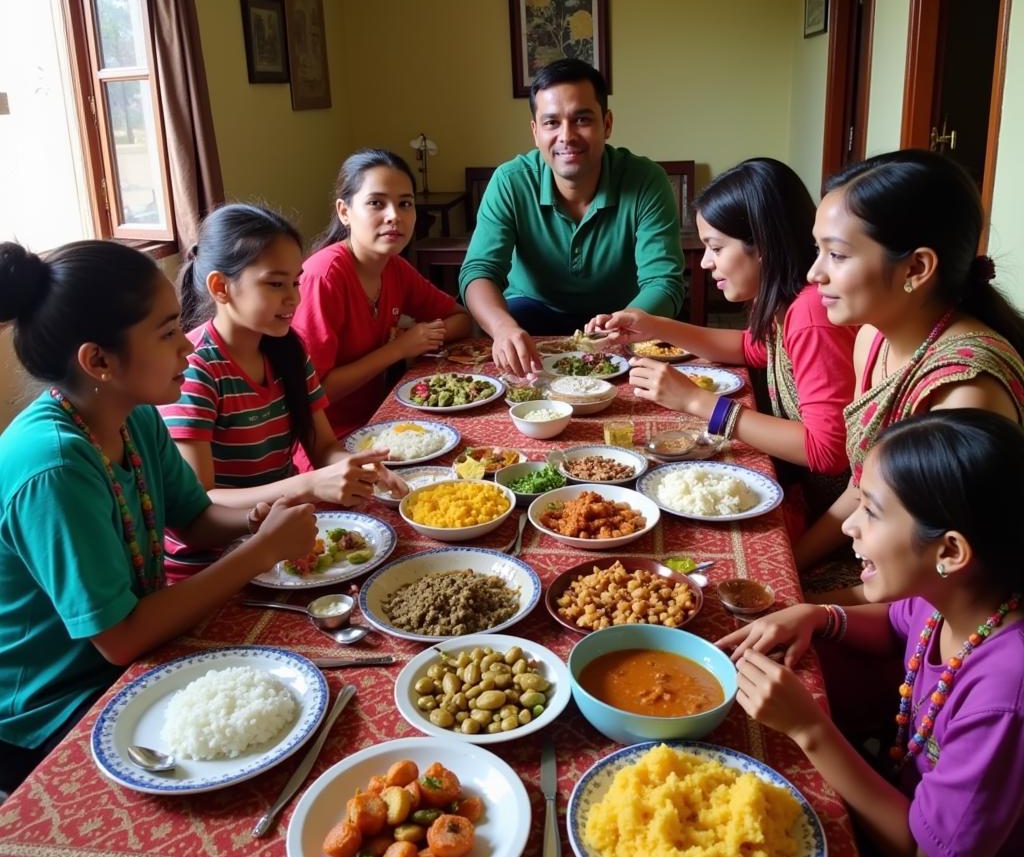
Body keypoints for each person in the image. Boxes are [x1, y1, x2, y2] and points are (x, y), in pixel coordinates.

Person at [0, 240, 316, 797]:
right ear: (98, 360)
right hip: (55, 707)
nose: (188, 351)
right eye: (168, 333)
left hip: (138, 660)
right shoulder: (54, 467)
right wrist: (262, 552)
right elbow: (120, 638)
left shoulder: (133, 416)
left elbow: (193, 518)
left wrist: (255, 523)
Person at [719, 410, 1024, 857]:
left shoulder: (1007, 692)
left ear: (950, 550)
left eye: (872, 511)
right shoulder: (956, 597)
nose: (849, 525)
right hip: (899, 789)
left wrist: (810, 728)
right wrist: (820, 615)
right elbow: (894, 625)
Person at [795, 149, 1024, 600]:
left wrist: (808, 602)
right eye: (817, 250)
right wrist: (791, 562)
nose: (813, 273)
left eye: (836, 254)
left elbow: (948, 580)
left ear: (916, 268)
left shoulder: (964, 391)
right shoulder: (873, 338)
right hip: (878, 562)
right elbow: (862, 485)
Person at [590, 158, 856, 533]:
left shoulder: (811, 314)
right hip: (807, 493)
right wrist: (654, 326)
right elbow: (749, 348)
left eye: (715, 247)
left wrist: (698, 403)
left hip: (834, 518)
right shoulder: (788, 306)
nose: (705, 264)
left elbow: (826, 452)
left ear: (761, 243)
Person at [160, 203, 406, 579]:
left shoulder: (287, 349)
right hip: (212, 563)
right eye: (275, 284)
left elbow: (322, 446)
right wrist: (307, 485)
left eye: (295, 282)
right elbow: (201, 501)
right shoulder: (195, 369)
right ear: (220, 287)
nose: (293, 298)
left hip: (280, 542)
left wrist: (356, 468)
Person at [459, 58, 685, 376]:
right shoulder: (510, 181)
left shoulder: (646, 180)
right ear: (535, 132)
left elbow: (664, 281)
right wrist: (502, 327)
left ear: (607, 124)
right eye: (551, 123)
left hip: (622, 317)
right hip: (532, 312)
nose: (566, 136)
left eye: (582, 119)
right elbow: (479, 271)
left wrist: (630, 319)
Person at [290, 149, 471, 442]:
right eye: (376, 203)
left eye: (405, 204)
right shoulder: (323, 277)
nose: (394, 217)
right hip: (325, 442)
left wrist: (418, 335)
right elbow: (315, 391)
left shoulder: (395, 268)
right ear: (344, 211)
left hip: (384, 419)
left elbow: (461, 318)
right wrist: (398, 349)